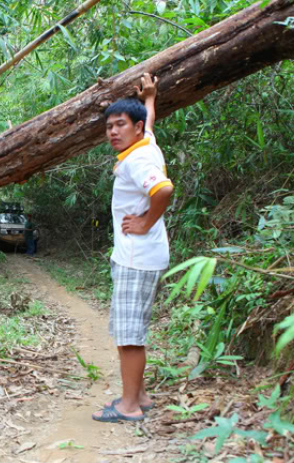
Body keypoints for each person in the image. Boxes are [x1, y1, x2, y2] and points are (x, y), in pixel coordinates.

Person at [92, 73, 174, 423]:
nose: (112, 131)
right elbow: (150, 121)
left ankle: (129, 407)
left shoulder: (137, 160)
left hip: (136, 257)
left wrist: (145, 221)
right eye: (109, 126)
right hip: (144, 256)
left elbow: (164, 190)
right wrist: (150, 98)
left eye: (120, 125)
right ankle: (139, 395)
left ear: (134, 128)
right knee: (133, 329)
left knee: (129, 336)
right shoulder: (144, 145)